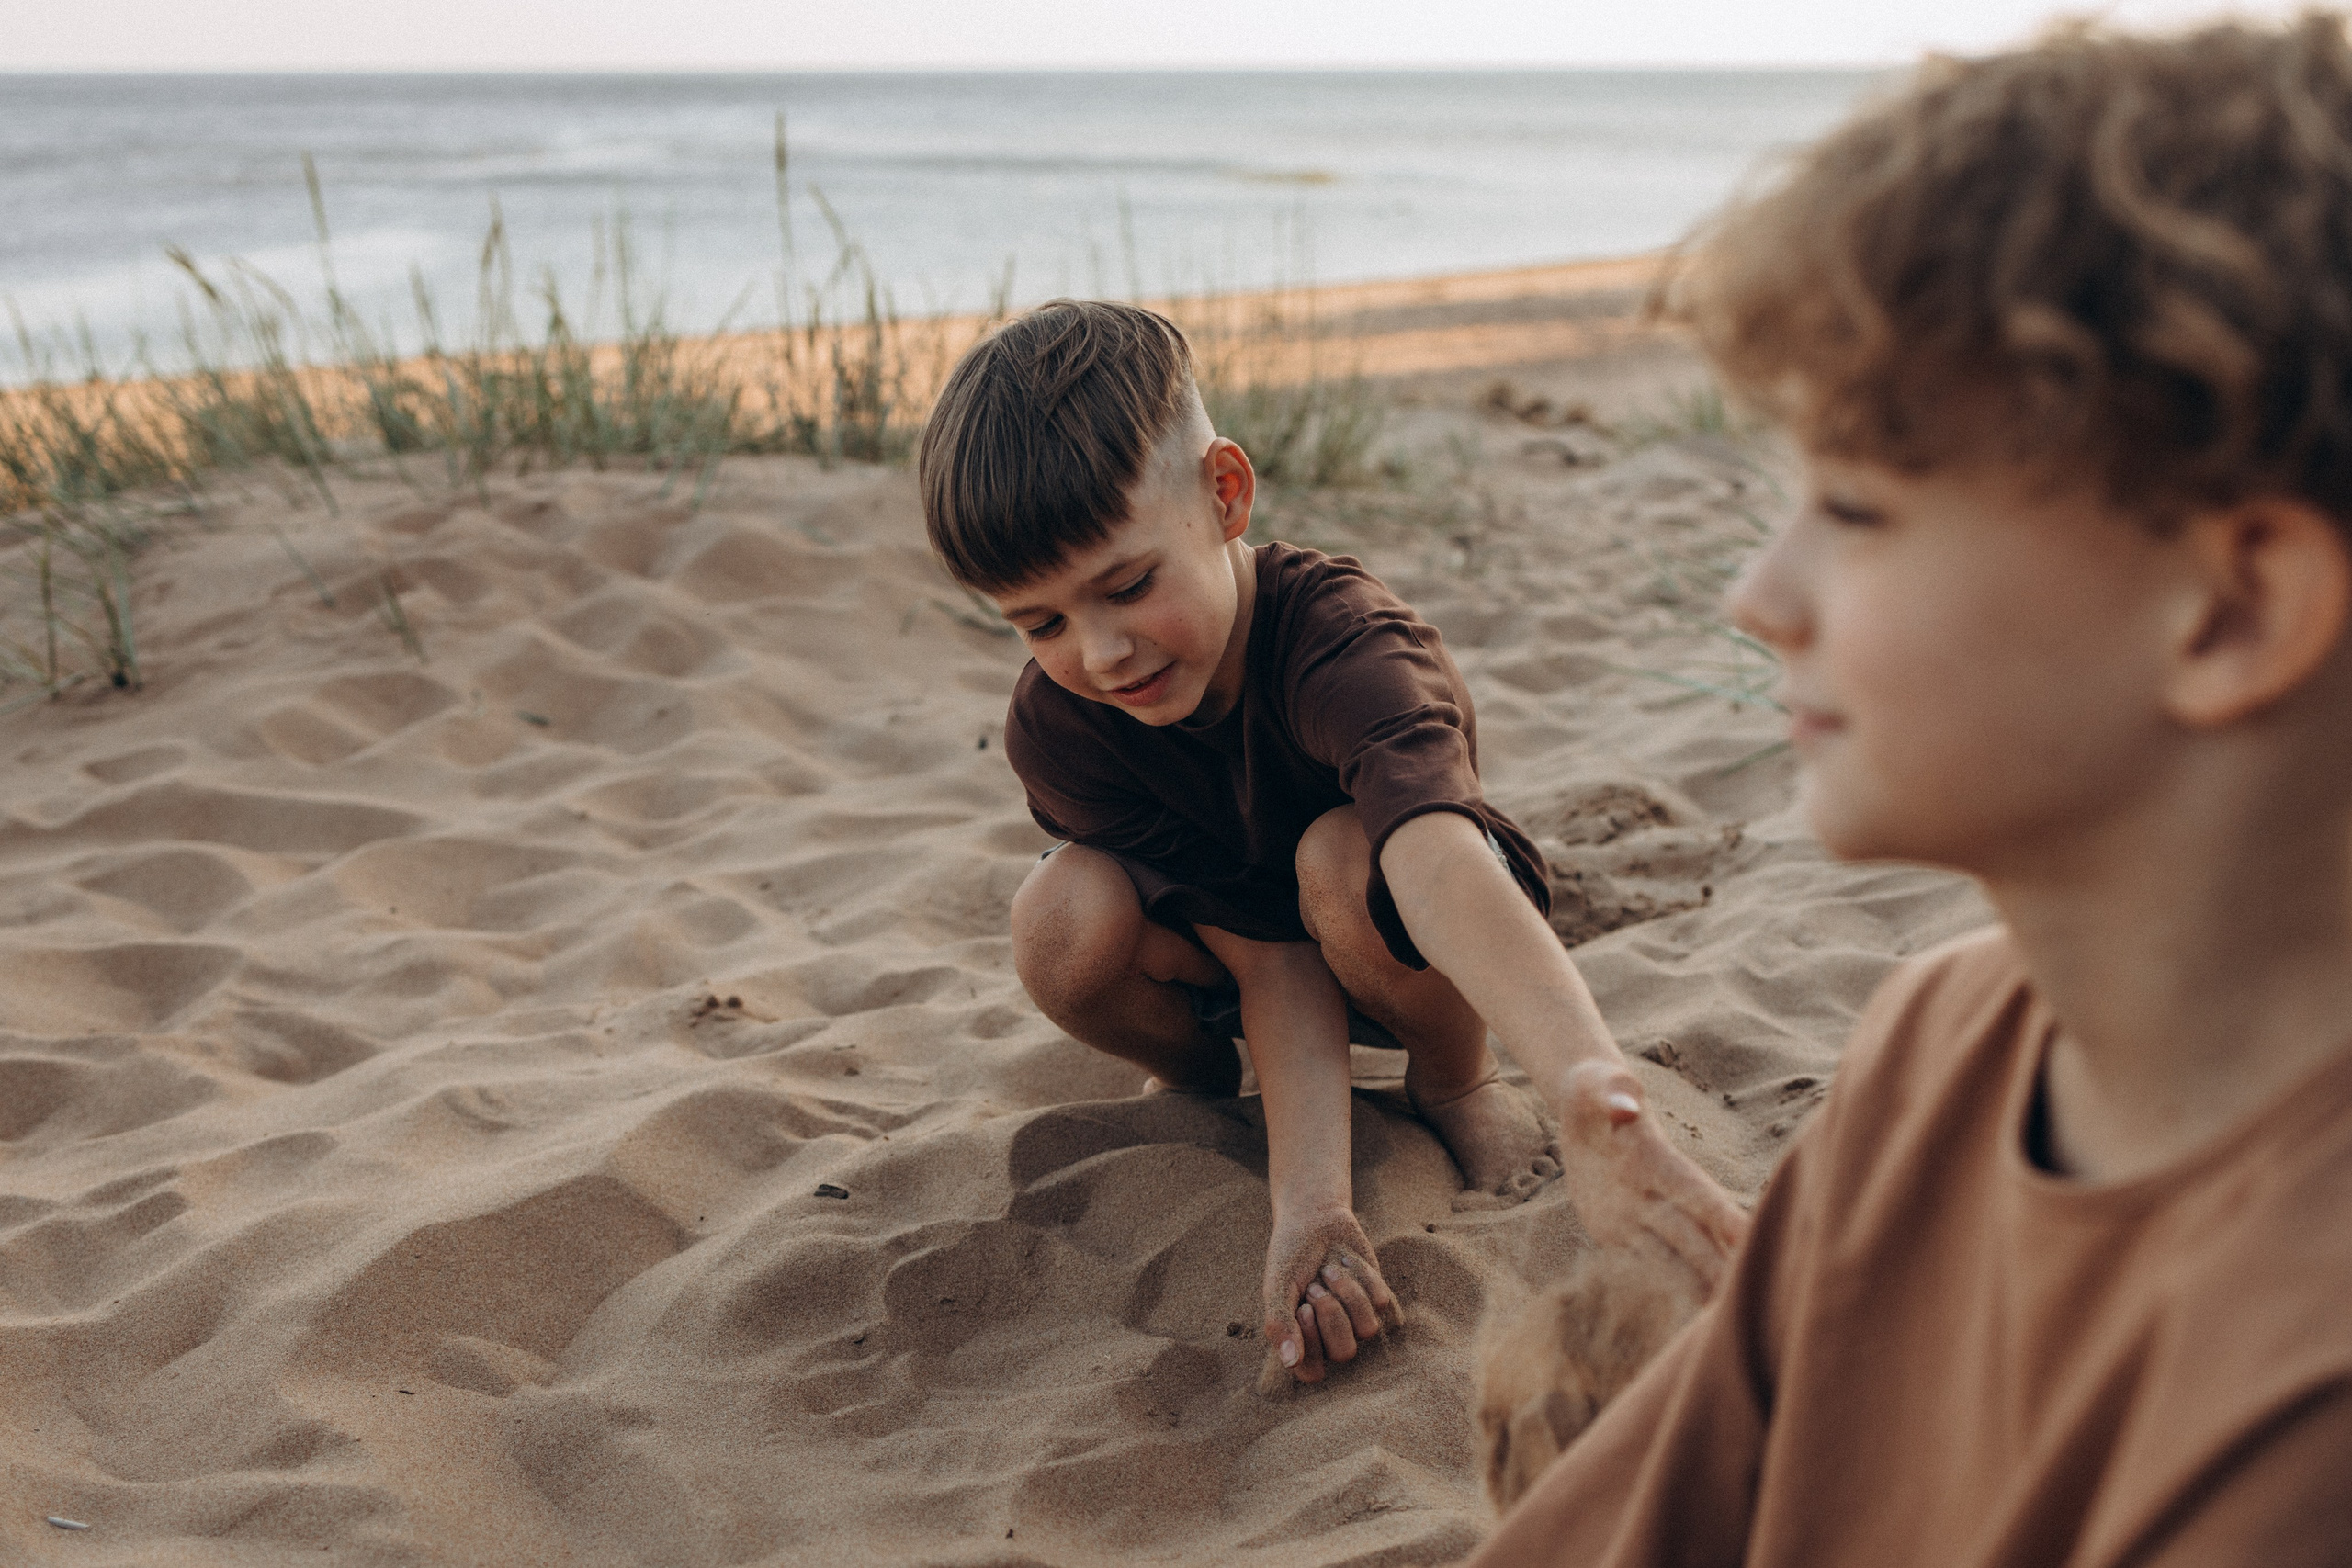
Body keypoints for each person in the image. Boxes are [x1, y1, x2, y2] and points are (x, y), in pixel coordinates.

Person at [1467, 16, 2352, 1563]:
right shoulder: (1941, 1044)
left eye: (1857, 507)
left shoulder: (2304, 1386)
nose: (1759, 592)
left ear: (2230, 610)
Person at [917, 299, 1748, 1386]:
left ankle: (1453, 1083)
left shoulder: (1343, 643)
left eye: (1127, 585)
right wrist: (1311, 1210)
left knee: (1335, 858)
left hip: (1418, 934)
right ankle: (1206, 1082)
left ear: (1223, 496)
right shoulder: (1060, 725)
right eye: (1040, 623)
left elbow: (1441, 864)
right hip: (1250, 956)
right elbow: (1270, 957)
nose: (1102, 650)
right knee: (1058, 914)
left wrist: (1595, 1098)